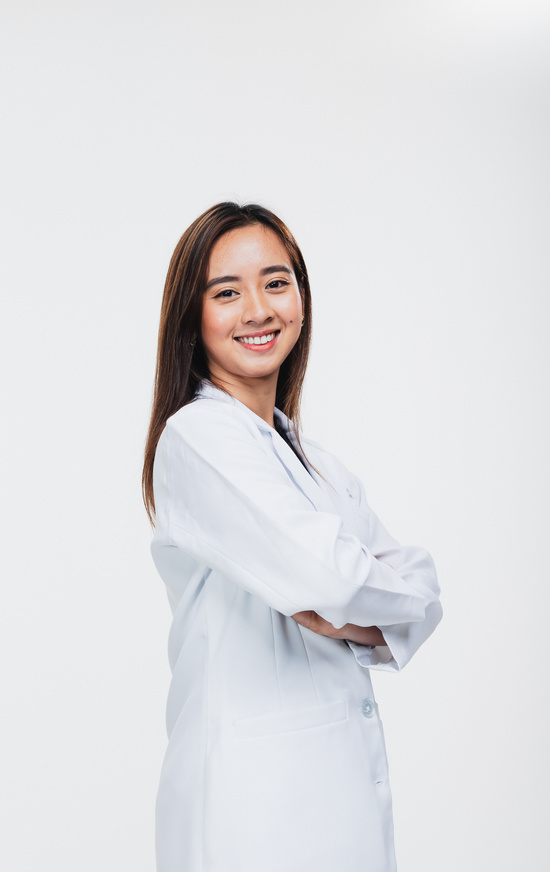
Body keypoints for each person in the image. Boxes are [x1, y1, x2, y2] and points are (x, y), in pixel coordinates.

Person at [143, 202, 442, 872]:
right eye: (227, 292)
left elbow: (422, 593)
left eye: (276, 282)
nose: (258, 310)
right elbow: (334, 578)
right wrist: (359, 604)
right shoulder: (199, 436)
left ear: (301, 296)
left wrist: (345, 618)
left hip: (330, 806)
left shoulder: (313, 460)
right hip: (252, 812)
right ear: (193, 316)